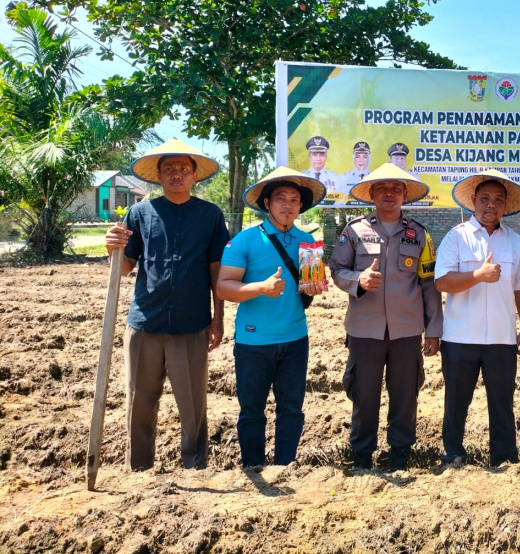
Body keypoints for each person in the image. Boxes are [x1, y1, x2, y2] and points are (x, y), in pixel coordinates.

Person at [104, 139, 229, 471]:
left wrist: (218, 318)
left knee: (193, 405)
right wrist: (112, 247)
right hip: (145, 322)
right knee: (139, 402)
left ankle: (196, 466)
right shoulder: (140, 213)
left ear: (194, 176)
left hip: (191, 324)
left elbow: (216, 269)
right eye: (169, 169)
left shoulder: (210, 216)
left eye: (183, 169)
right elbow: (127, 264)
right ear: (158, 176)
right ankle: (139, 468)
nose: (177, 174)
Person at [328, 163, 442, 471]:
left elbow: (428, 284)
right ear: (372, 194)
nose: (389, 193)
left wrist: (434, 329)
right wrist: (358, 281)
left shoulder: (419, 234)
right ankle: (362, 456)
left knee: (405, 395)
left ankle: (400, 456)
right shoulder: (353, 230)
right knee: (364, 395)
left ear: (405, 194)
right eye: (382, 188)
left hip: (406, 331)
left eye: (396, 188)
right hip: (365, 330)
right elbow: (337, 270)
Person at [217, 167, 329, 467]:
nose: (288, 205)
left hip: (295, 339)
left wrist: (314, 285)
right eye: (280, 199)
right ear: (267, 203)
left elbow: (310, 286)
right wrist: (261, 288)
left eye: (294, 200)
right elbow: (224, 286)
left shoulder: (308, 240)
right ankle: (253, 465)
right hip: (254, 340)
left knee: (291, 409)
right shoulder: (245, 240)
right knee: (252, 410)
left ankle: (285, 467)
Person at [434, 169, 520, 466]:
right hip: (460, 337)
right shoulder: (456, 237)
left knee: (502, 404)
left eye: (498, 200)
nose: (491, 205)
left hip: (502, 339)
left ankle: (504, 459)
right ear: (473, 201)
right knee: (456, 403)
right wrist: (478, 275)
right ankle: (452, 455)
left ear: (505, 205)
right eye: (485, 198)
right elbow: (442, 282)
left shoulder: (514, 241)